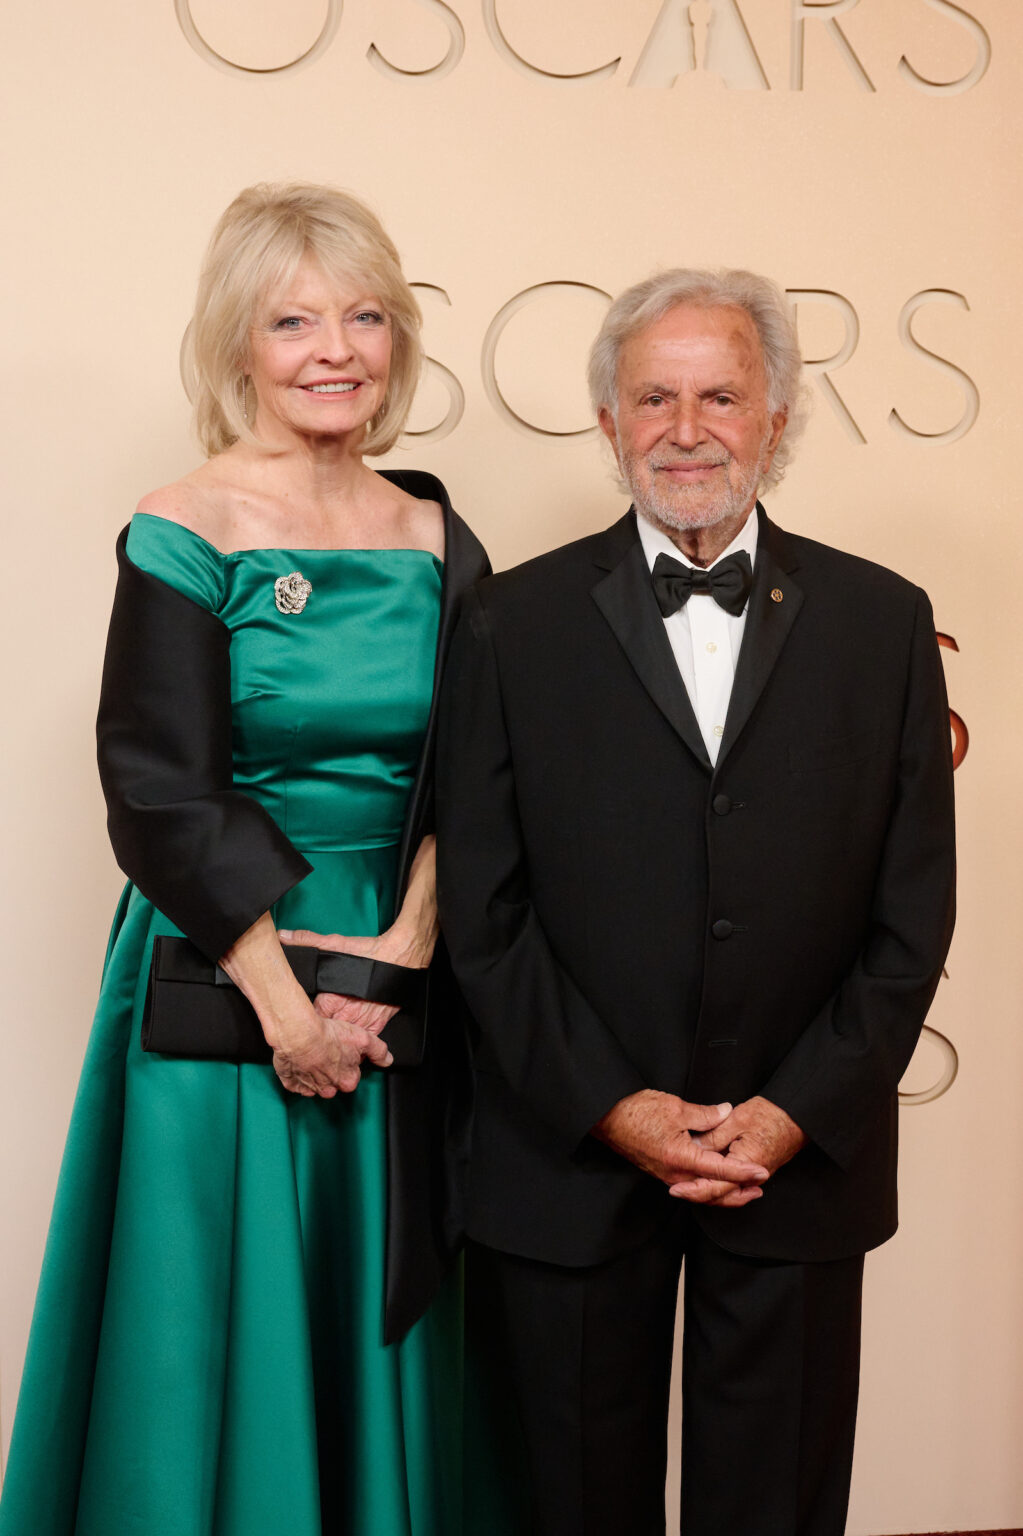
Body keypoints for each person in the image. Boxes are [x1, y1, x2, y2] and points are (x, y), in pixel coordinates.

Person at [0, 182, 496, 1536]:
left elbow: (483, 773)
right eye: (291, 321)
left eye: (362, 316)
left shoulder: (439, 538)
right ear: (238, 349)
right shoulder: (187, 521)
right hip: (223, 968)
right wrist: (285, 1007)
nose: (332, 348)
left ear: (396, 340)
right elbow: (159, 789)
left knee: (373, 1307)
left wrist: (403, 951)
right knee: (212, 1320)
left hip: (394, 973)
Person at [435, 268, 956, 1536]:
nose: (686, 427)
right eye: (652, 396)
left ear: (776, 418)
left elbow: (912, 915)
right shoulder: (507, 623)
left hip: (797, 1158)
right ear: (608, 424)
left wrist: (792, 1114)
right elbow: (485, 915)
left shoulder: (886, 622)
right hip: (567, 1159)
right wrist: (613, 1106)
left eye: (720, 394)